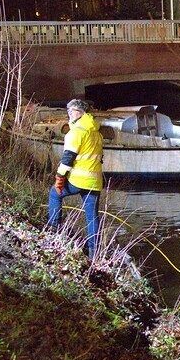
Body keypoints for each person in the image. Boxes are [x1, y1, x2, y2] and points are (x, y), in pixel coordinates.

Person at [46, 99, 103, 259]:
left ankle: (53, 230)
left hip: (78, 179)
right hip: (94, 181)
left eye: (72, 111)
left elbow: (67, 158)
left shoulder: (76, 132)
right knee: (92, 216)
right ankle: (94, 253)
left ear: (81, 113)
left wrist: (59, 178)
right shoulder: (95, 131)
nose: (69, 113)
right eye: (68, 110)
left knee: (54, 194)